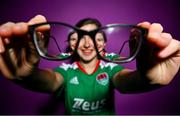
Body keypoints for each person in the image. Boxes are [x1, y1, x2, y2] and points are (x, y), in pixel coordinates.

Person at [0, 15, 179, 115]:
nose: (88, 44)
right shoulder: (66, 70)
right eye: (80, 38)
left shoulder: (110, 69)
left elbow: (126, 81)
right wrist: (26, 75)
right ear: (72, 44)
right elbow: (52, 81)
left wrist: (147, 79)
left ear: (103, 45)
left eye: (96, 38)